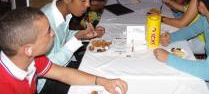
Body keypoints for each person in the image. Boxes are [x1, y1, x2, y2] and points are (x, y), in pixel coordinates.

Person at [0, 7, 128, 94]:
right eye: (48, 32)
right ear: (28, 49)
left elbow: (64, 74)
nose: (53, 33)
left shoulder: (32, 58)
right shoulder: (4, 85)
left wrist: (103, 81)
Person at [38, 0, 106, 93]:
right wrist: (74, 41)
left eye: (89, 0)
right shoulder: (45, 22)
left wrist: (81, 34)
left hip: (65, 65)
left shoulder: (64, 12)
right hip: (47, 82)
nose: (88, 5)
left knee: (100, 66)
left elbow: (62, 37)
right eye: (83, 0)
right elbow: (47, 66)